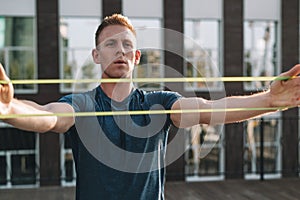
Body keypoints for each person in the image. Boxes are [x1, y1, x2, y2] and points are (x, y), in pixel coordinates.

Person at [0, 14, 300, 200]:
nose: (120, 50)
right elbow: (50, 117)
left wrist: (269, 100)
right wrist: (11, 108)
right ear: (95, 55)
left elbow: (212, 108)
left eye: (127, 45)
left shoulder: (159, 102)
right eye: (110, 44)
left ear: (137, 56)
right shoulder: (82, 104)